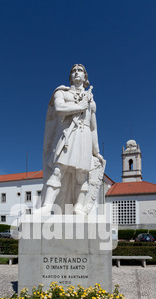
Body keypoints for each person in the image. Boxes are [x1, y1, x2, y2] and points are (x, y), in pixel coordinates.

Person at [40, 64, 104, 215]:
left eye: (80, 70)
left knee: (82, 175)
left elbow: (93, 128)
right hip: (67, 135)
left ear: (85, 77)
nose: (76, 73)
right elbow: (59, 109)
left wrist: (96, 151)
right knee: (57, 170)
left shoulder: (91, 101)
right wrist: (80, 106)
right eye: (73, 71)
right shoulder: (62, 92)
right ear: (70, 76)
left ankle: (79, 208)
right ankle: (47, 206)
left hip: (85, 137)